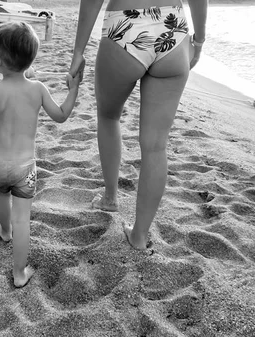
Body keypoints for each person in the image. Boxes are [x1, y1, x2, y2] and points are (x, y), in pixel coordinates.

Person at [68, 0, 208, 250]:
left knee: (109, 117)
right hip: (172, 28)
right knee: (156, 146)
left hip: (125, 26)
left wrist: (79, 51)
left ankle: (110, 198)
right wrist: (199, 39)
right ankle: (140, 236)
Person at [0, 21, 84, 287]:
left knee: (0, 196)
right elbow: (61, 116)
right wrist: (73, 89)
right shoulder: (38, 89)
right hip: (24, 169)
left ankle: (4, 231)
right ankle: (19, 273)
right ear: (30, 60)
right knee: (23, 219)